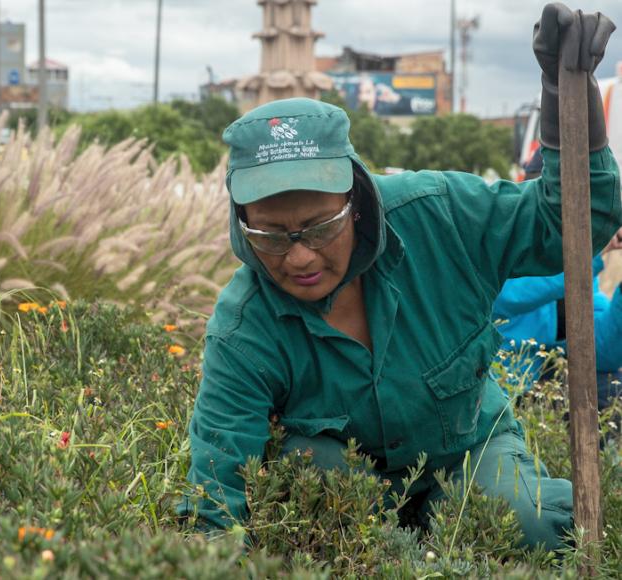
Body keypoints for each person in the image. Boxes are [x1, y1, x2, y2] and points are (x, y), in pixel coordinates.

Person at [180, 4, 620, 552]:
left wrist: (567, 104)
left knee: (529, 530)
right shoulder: (243, 328)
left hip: (464, 449)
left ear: (357, 201)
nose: (297, 258)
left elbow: (573, 226)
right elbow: (216, 496)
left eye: (320, 227)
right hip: (344, 484)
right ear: (241, 223)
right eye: (270, 236)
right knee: (353, 527)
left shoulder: (441, 216)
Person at [493, 217, 622, 408]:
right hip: (492, 387)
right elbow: (507, 298)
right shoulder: (498, 233)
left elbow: (600, 355)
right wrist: (588, 252)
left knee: (612, 389)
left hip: (537, 383)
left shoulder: (579, 266)